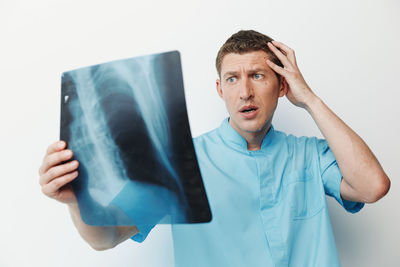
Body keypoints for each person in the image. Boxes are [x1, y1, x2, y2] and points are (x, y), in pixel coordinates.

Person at [39, 30, 390, 266]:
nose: (245, 92)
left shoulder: (310, 155)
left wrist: (309, 98)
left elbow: (373, 186)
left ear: (282, 86)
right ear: (220, 90)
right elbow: (106, 237)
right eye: (232, 79)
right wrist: (75, 200)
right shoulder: (179, 161)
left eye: (258, 75)